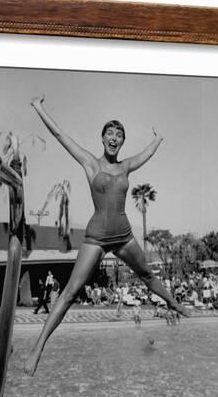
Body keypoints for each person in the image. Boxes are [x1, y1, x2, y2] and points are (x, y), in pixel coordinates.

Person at [25, 95, 188, 375]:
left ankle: (174, 302)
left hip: (123, 235)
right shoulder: (90, 163)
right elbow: (60, 135)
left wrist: (158, 139)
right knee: (70, 292)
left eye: (120, 135)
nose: (115, 138)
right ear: (102, 138)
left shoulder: (125, 166)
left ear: (122, 141)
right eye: (110, 133)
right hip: (97, 237)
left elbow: (146, 155)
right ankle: (38, 348)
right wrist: (40, 107)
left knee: (147, 275)